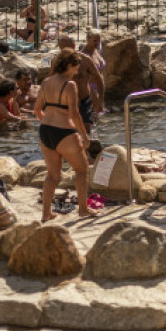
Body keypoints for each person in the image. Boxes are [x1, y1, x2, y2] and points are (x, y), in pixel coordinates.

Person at [34, 49, 93, 222]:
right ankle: (83, 209)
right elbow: (75, 114)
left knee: (52, 175)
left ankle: (46, 214)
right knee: (81, 171)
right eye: (75, 68)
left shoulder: (45, 82)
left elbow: (37, 109)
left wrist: (48, 122)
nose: (76, 72)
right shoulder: (70, 85)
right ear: (68, 66)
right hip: (65, 132)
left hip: (45, 131)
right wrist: (84, 136)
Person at [54, 35, 105, 135]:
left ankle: (87, 148)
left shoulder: (85, 60)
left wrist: (100, 101)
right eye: (62, 49)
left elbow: (99, 80)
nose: (65, 51)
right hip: (66, 101)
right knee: (69, 130)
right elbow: (51, 80)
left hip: (84, 98)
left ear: (74, 46)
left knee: (87, 129)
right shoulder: (57, 62)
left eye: (67, 48)